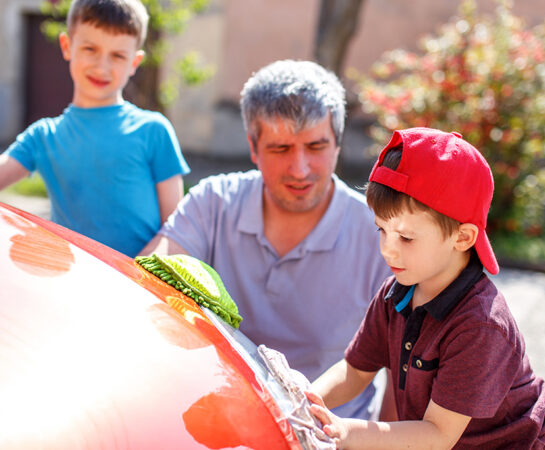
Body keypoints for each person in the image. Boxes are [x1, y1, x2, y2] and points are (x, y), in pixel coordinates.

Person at [141, 59, 392, 419]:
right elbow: (148, 282)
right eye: (281, 149)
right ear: (254, 147)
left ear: (338, 144)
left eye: (316, 146)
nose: (300, 168)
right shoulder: (213, 202)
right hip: (216, 420)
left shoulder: (380, 236)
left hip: (326, 436)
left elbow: (406, 375)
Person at [306, 127, 545, 448]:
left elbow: (436, 435)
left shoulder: (480, 325)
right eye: (381, 229)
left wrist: (347, 431)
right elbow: (354, 371)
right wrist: (305, 400)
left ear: (462, 237)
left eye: (405, 237)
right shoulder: (396, 294)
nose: (387, 249)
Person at [0, 0, 189, 257]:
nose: (102, 67)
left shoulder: (154, 131)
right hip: (71, 286)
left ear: (135, 62)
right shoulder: (42, 137)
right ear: (67, 46)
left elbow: (176, 228)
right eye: (90, 49)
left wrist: (136, 274)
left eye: (118, 55)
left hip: (139, 288)